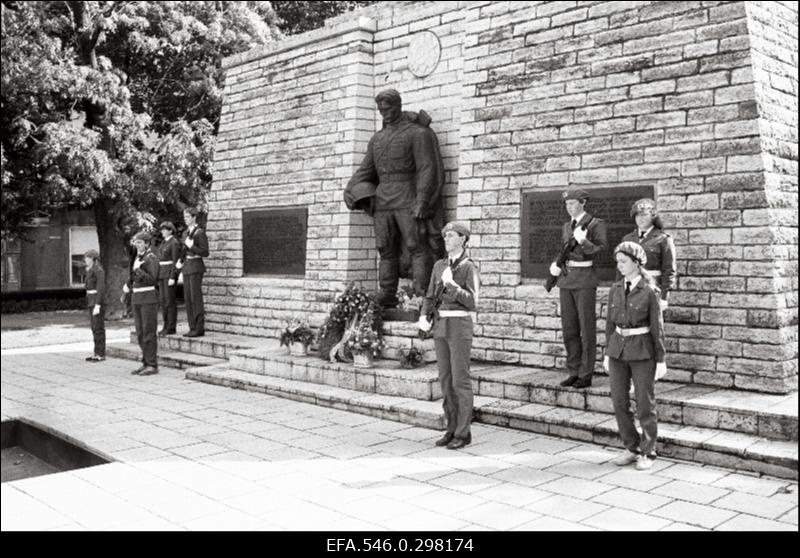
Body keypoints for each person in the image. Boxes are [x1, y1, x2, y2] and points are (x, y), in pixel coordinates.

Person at [345, 88, 445, 308]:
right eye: (381, 110)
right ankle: (387, 292)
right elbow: (366, 170)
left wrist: (423, 200)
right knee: (385, 247)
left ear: (398, 106)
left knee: (416, 246)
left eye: (388, 108)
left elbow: (427, 168)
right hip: (383, 201)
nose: (385, 113)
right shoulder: (377, 139)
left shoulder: (417, 133)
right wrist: (350, 189)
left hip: (408, 197)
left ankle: (421, 295)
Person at [604, 241, 667, 471]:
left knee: (644, 404)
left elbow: (657, 328)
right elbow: (610, 324)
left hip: (642, 351)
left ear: (637, 263)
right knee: (619, 401)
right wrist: (606, 352)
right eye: (618, 262)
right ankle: (631, 447)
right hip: (618, 350)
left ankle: (648, 451)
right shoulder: (615, 289)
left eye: (624, 261)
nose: (619, 266)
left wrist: (661, 359)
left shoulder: (649, 291)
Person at [419, 221, 480, 450]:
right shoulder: (438, 266)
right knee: (445, 379)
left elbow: (473, 301)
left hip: (459, 325)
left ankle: (464, 432)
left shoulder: (468, 267)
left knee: (460, 379)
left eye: (452, 236)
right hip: (441, 324)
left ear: (463, 239)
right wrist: (425, 316)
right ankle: (451, 427)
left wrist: (453, 286)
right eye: (445, 236)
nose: (447, 240)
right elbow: (430, 295)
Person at [549, 188, 607, 388]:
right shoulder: (567, 226)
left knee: (586, 329)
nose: (569, 207)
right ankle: (573, 370)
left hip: (584, 280)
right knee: (569, 329)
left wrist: (584, 241)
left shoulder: (596, 224)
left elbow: (601, 250)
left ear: (583, 203)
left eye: (573, 203)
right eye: (567, 204)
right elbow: (564, 250)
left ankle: (586, 373)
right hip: (566, 280)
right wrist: (557, 264)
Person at [621, 198, 676, 313]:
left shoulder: (663, 239)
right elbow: (620, 268)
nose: (640, 218)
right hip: (631, 288)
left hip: (652, 288)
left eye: (644, 215)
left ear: (653, 216)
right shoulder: (627, 239)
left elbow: (669, 270)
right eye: (637, 215)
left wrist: (664, 297)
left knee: (654, 326)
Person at [124, 231, 160, 376]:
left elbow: (152, 279)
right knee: (140, 333)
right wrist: (127, 286)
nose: (137, 245)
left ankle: (152, 365)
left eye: (140, 242)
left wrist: (138, 269)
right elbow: (133, 278)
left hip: (148, 298)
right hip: (137, 298)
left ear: (146, 243)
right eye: (136, 242)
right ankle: (145, 362)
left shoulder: (151, 258)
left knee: (148, 332)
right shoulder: (137, 258)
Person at [176, 207, 209, 337]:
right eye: (184, 217)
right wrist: (180, 262)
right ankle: (192, 327)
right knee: (188, 298)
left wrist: (192, 246)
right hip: (187, 266)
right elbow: (184, 251)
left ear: (194, 217)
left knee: (195, 298)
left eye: (188, 217)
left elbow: (205, 252)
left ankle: (199, 328)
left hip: (196, 266)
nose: (186, 219)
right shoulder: (185, 233)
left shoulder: (199, 233)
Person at [157, 221, 180, 336]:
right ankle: (165, 325)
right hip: (162, 274)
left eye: (165, 229)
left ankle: (171, 326)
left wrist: (173, 276)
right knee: (163, 301)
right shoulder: (163, 243)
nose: (162, 231)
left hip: (169, 274)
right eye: (162, 229)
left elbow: (176, 261)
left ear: (170, 230)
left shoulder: (174, 242)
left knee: (169, 301)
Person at [83, 249, 106, 362]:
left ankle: (100, 353)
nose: (85, 260)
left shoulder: (98, 270)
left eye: (87, 258)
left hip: (96, 301)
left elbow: (100, 288)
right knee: (94, 328)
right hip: (91, 300)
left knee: (98, 328)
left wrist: (98, 304)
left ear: (93, 258)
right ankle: (96, 352)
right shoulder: (90, 270)